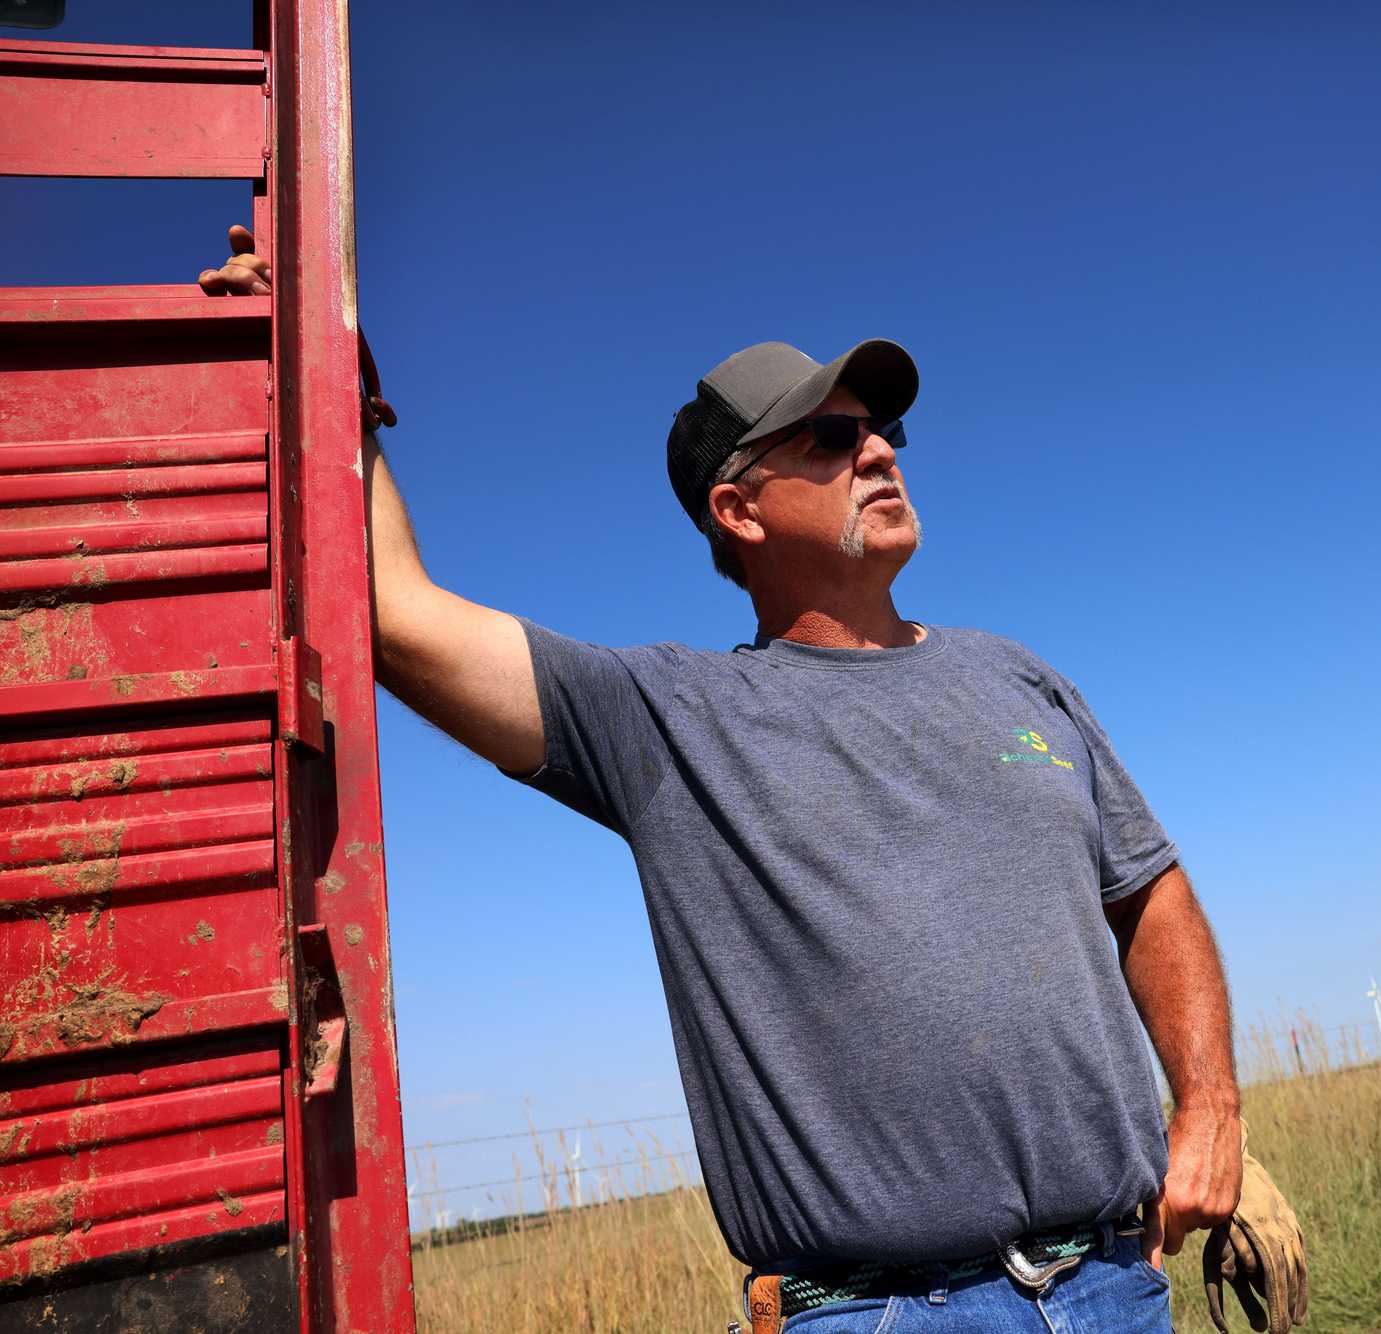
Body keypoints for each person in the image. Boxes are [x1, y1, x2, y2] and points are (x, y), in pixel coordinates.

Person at [201, 228, 1305, 1333]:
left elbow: (1148, 891)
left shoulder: (1019, 677)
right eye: (831, 437)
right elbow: (396, 614)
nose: (879, 454)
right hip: (876, 1315)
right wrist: (329, 378)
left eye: (884, 432)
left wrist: (1209, 1106)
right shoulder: (666, 719)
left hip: (1113, 1285)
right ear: (737, 509)